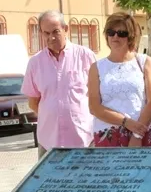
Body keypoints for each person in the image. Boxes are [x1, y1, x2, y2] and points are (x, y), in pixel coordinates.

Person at [22, 10, 97, 159]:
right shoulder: (35, 63)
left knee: (85, 182)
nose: (51, 37)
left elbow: (97, 96)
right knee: (48, 182)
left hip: (83, 139)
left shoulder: (85, 56)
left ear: (66, 29)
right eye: (46, 33)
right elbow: (33, 102)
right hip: (49, 142)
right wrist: (54, 115)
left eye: (56, 31)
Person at [88, 12, 151, 147]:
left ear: (131, 36)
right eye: (111, 32)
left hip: (142, 132)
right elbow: (94, 107)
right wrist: (126, 122)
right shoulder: (96, 67)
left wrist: (137, 134)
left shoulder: (144, 62)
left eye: (122, 33)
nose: (115, 36)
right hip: (109, 136)